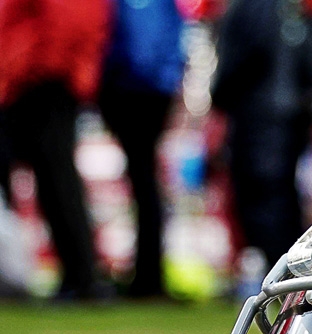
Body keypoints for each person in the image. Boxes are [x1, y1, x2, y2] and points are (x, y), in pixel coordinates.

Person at [0, 0, 111, 300]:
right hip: (36, 79)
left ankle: (82, 277)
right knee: (54, 183)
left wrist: (25, 69)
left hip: (42, 82)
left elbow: (68, 25)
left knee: (58, 182)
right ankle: (77, 276)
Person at [212, 0, 312, 297]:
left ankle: (280, 283)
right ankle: (293, 280)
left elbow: (241, 56)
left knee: (262, 202)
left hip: (259, 115)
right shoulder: (291, 8)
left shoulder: (251, 7)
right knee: (282, 199)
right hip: (288, 116)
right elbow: (311, 64)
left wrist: (219, 92)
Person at [101, 0, 187, 298]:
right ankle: (148, 273)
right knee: (146, 184)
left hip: (137, 92)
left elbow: (141, 50)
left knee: (144, 185)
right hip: (151, 91)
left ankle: (148, 278)